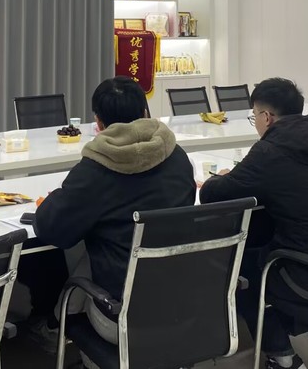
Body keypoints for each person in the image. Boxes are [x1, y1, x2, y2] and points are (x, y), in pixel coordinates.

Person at [200, 78, 308, 369]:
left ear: (266, 117)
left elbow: (212, 195)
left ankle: (282, 356)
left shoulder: (269, 151)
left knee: (243, 265)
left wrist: (222, 177)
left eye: (254, 116)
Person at [33, 76, 196, 348]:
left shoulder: (96, 170)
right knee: (99, 249)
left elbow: (52, 229)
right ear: (145, 112)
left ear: (98, 123)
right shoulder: (177, 157)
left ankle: (60, 329)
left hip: (122, 317)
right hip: (186, 302)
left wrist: (59, 197)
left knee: (87, 250)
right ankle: (56, 323)